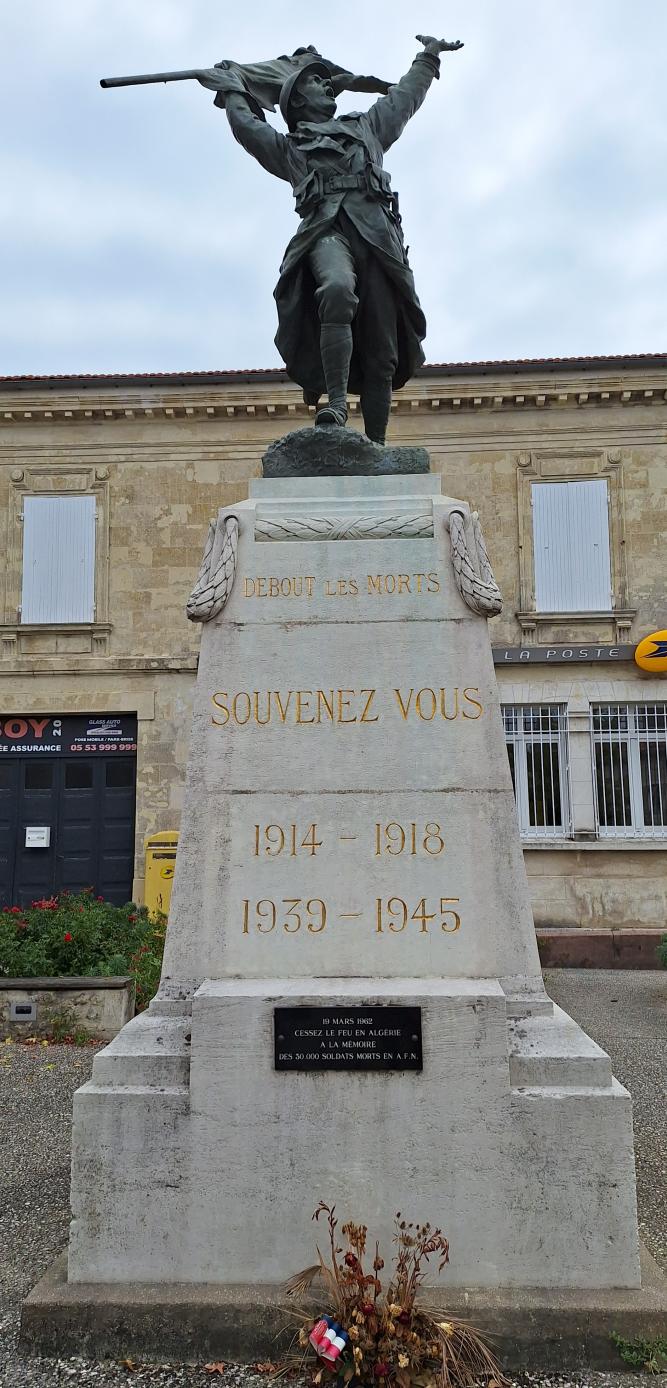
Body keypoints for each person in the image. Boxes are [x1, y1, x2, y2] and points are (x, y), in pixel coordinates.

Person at [199, 35, 462, 445]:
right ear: (297, 101)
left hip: (376, 234)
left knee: (382, 348)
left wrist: (427, 57)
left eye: (326, 81)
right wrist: (230, 87)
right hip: (325, 231)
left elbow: (404, 98)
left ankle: (376, 446)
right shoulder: (290, 148)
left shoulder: (367, 128)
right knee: (336, 289)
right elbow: (248, 127)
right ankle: (336, 404)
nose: (328, 84)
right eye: (316, 82)